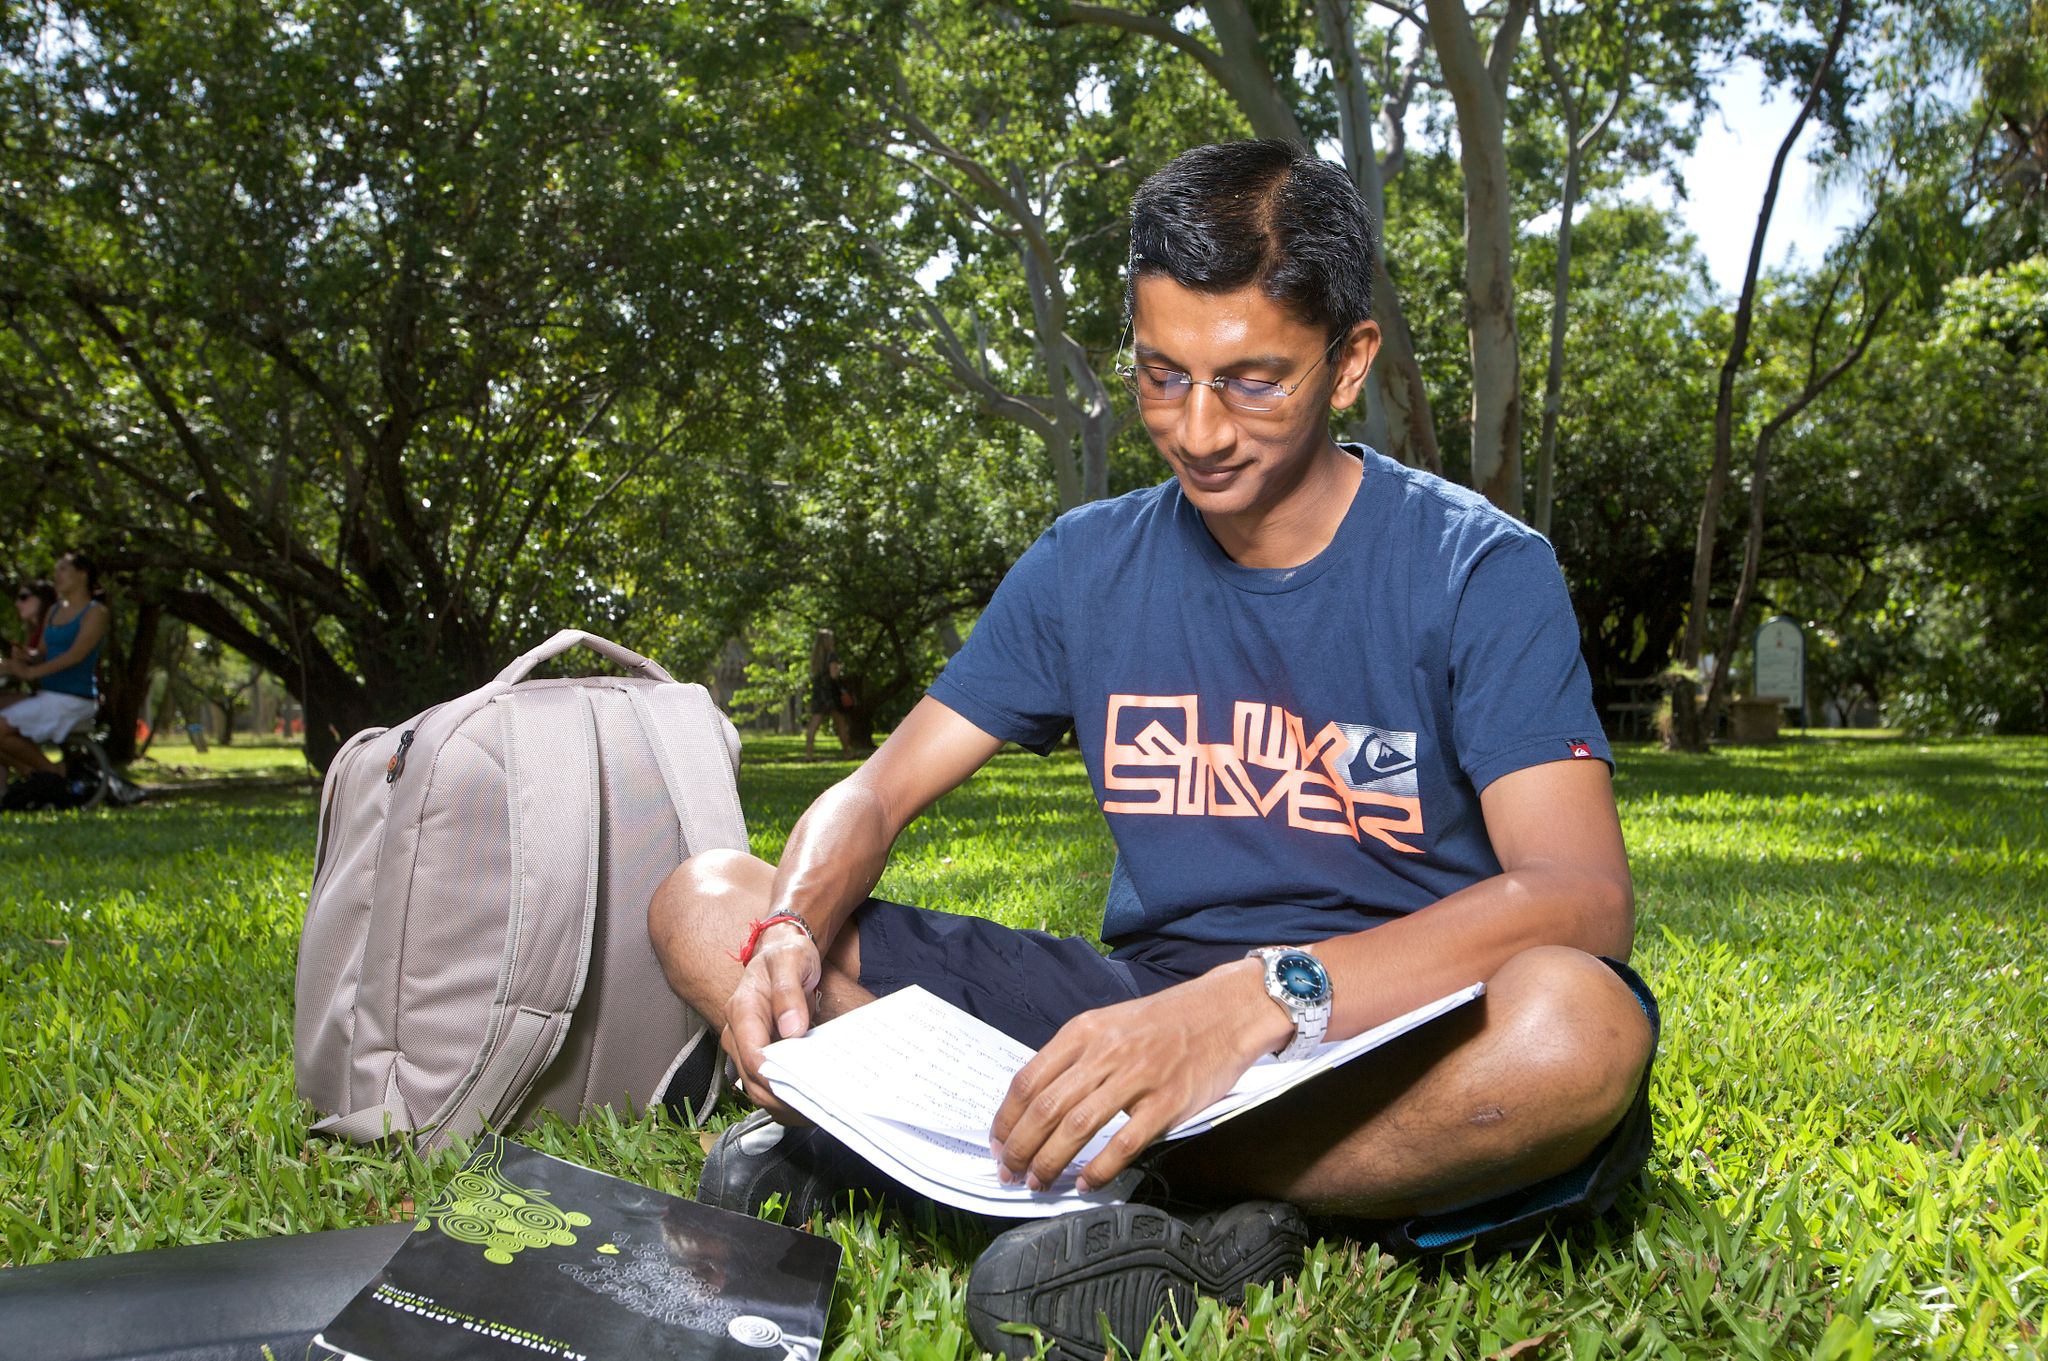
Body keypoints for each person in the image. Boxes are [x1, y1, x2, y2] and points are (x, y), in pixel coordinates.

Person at [648, 141, 1655, 1361]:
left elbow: (1579, 895)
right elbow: (875, 788)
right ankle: (1189, 1192)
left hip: (1381, 1027)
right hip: (1128, 1007)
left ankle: (1007, 1167)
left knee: (1576, 1030)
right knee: (709, 902)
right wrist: (793, 929)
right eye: (1161, 376)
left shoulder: (1478, 567)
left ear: (1349, 364)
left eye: (1251, 382)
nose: (1197, 429)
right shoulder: (1086, 562)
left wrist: (1262, 1000)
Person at [0, 551, 111, 779]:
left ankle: (53, 772)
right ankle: (37, 774)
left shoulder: (95, 612)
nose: (57, 575)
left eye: (63, 569)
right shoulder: (54, 611)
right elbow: (42, 652)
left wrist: (32, 672)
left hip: (73, 699)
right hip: (49, 695)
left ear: (82, 574)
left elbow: (75, 656)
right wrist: (24, 657)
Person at [2, 578, 57, 715]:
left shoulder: (53, 626)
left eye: (24, 597)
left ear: (42, 598)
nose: (18, 603)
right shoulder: (33, 632)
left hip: (59, 698)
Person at [802, 630, 852, 759]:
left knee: (814, 724)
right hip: (830, 693)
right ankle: (847, 752)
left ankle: (808, 754)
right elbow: (833, 675)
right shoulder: (831, 655)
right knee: (840, 722)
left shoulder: (816, 658)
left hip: (818, 692)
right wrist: (839, 668)